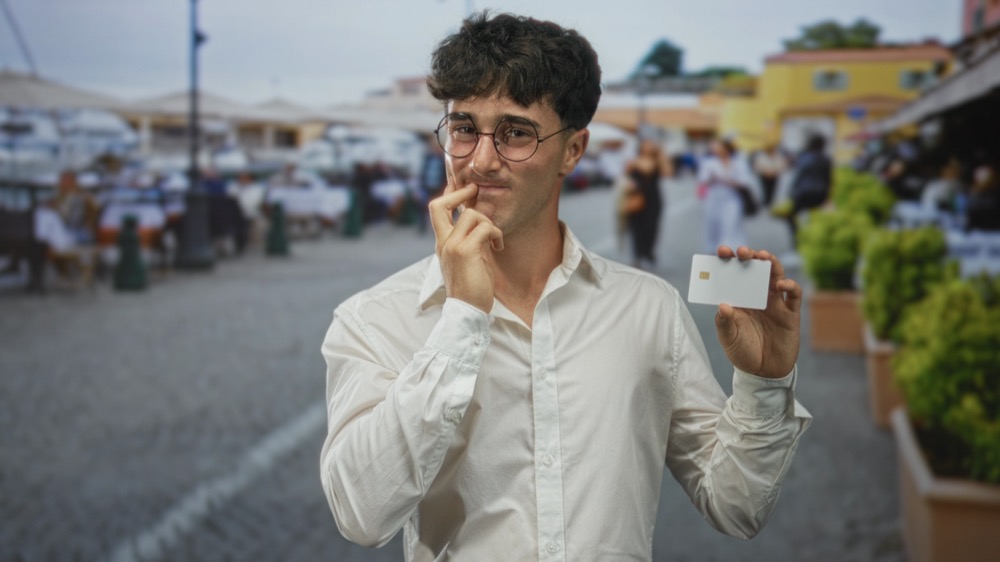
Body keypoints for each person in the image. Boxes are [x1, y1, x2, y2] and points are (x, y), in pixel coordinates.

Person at [319, 12, 810, 561]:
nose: (481, 160)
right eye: (463, 128)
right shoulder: (375, 319)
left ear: (573, 151)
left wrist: (764, 384)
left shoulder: (648, 308)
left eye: (516, 133)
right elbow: (360, 517)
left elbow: (736, 507)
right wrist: (460, 319)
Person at [698, 138, 757, 254]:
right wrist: (713, 178)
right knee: (713, 223)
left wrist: (724, 180)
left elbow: (743, 181)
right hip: (714, 198)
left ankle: (730, 248)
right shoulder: (709, 163)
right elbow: (703, 180)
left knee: (730, 224)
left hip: (732, 198)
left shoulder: (738, 162)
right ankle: (713, 248)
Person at [622, 138, 672, 269]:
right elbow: (625, 174)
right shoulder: (634, 160)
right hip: (636, 196)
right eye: (646, 144)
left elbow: (668, 172)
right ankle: (638, 255)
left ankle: (649, 253)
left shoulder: (658, 160)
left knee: (651, 227)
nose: (649, 146)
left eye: (651, 144)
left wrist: (662, 153)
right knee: (636, 227)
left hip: (653, 198)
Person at [785, 134, 832, 253]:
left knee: (791, 216)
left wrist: (791, 192)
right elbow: (828, 180)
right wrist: (827, 196)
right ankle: (814, 240)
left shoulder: (804, 157)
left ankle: (797, 242)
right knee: (816, 218)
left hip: (803, 192)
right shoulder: (825, 159)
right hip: (820, 193)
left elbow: (798, 176)